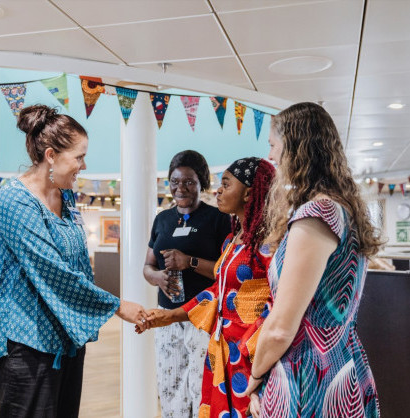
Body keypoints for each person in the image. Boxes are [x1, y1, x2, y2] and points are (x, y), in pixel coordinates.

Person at [0, 104, 147, 417]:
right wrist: (117, 306)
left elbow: (78, 264)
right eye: (79, 157)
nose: (84, 165)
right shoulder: (14, 200)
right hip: (25, 343)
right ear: (51, 155)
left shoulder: (65, 196)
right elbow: (54, 272)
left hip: (64, 339)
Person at [243, 102, 382, 417]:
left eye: (274, 146)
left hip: (309, 375)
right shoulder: (343, 210)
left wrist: (256, 376)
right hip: (341, 362)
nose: (271, 156)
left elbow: (281, 327)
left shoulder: (317, 213)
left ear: (296, 148)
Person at [139, 157, 275, 417]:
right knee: (178, 391)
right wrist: (169, 311)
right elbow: (219, 289)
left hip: (243, 344)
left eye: (226, 184)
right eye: (174, 181)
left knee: (213, 396)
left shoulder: (265, 241)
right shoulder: (232, 238)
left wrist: (189, 262)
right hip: (219, 339)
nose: (218, 191)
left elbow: (276, 303)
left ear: (249, 193)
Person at [143, 150, 231, 418]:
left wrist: (189, 262)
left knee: (200, 386)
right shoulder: (162, 219)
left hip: (203, 317)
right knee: (170, 386)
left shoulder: (218, 219)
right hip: (167, 317)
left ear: (201, 182)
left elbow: (226, 270)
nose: (180, 188)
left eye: (189, 182)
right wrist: (157, 277)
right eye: (174, 181)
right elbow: (147, 267)